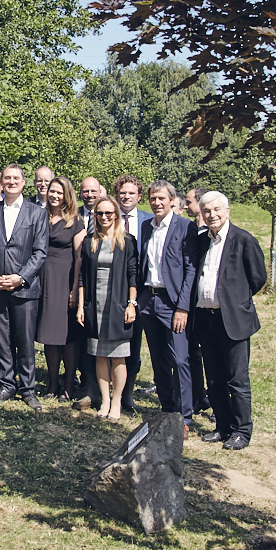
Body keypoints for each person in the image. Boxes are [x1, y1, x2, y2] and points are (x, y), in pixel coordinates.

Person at [191, 191, 267, 451]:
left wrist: (236, 300)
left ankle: (241, 430)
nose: (212, 215)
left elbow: (257, 278)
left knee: (237, 379)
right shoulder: (201, 241)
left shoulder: (243, 240)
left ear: (227, 211)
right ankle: (222, 426)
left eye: (216, 210)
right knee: (214, 378)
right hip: (205, 319)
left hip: (232, 320)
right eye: (207, 211)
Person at [0, 164, 49, 411]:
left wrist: (21, 277)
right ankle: (7, 384)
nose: (10, 182)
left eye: (15, 178)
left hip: (24, 288)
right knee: (3, 339)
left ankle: (28, 388)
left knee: (25, 339)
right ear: (1, 182)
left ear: (23, 182)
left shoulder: (37, 213)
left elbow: (40, 252)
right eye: (7, 178)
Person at [139, 180, 198, 437]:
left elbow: (190, 269)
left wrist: (182, 307)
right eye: (153, 198)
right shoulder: (146, 226)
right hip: (149, 300)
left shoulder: (185, 227)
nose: (157, 203)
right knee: (158, 359)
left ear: (173, 200)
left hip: (173, 303)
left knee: (180, 359)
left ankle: (184, 417)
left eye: (161, 198)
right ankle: (167, 409)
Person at [76, 199, 138, 420]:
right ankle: (105, 400)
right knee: (100, 356)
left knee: (118, 357)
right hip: (95, 305)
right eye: (100, 213)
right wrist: (81, 306)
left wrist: (131, 304)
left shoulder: (127, 241)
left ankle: (117, 401)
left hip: (118, 305)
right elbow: (82, 276)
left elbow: (133, 274)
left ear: (116, 215)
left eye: (109, 213)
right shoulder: (89, 241)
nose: (104, 217)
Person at [37, 177, 85, 401]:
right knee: (49, 334)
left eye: (59, 192)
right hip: (43, 280)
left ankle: (68, 384)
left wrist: (75, 289)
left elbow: (79, 258)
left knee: (68, 336)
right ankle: (52, 382)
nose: (55, 196)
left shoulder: (76, 221)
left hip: (64, 280)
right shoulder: (41, 216)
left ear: (67, 195)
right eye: (52, 191)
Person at [110, 175, 152, 414]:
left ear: (139, 196)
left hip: (140, 290)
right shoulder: (108, 216)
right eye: (122, 193)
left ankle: (127, 395)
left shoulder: (148, 221)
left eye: (131, 193)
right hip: (111, 290)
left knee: (134, 344)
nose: (126, 197)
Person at [184, 185, 211, 414]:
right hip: (191, 302)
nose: (185, 206)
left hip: (209, 303)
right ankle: (197, 395)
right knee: (192, 351)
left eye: (189, 202)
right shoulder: (191, 229)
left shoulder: (211, 233)